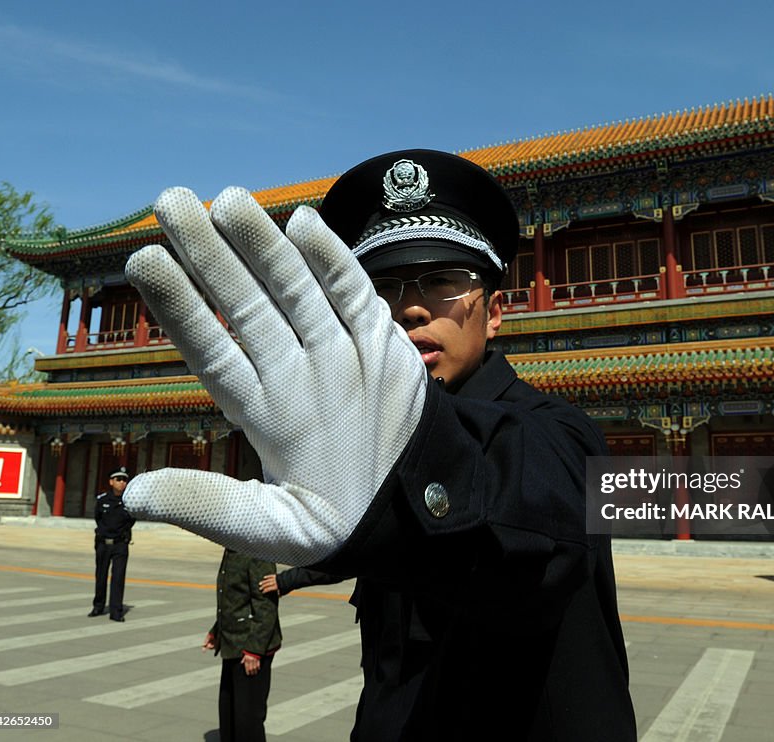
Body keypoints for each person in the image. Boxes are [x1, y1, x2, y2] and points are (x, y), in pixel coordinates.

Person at [124, 149, 637, 740]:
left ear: (494, 312)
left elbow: (540, 509)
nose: (411, 307)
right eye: (381, 288)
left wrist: (417, 450)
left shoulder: (560, 431)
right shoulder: (357, 442)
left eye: (444, 282)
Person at [204, 548, 281, 742]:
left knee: (247, 721)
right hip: (231, 642)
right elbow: (232, 599)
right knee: (228, 714)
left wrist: (254, 650)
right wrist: (217, 630)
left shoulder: (257, 551)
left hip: (250, 647)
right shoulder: (232, 549)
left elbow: (266, 604)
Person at [90, 466, 135, 621]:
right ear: (111, 482)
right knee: (101, 575)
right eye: (118, 479)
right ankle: (98, 606)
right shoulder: (102, 500)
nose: (122, 483)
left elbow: (131, 521)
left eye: (124, 480)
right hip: (103, 543)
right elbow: (98, 518)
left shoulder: (129, 502)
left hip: (120, 544)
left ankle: (116, 611)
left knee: (118, 577)